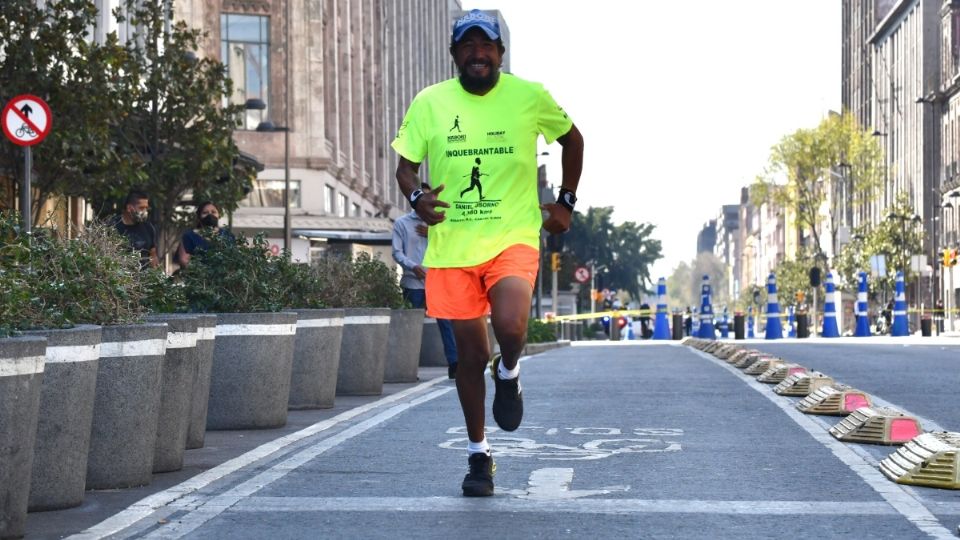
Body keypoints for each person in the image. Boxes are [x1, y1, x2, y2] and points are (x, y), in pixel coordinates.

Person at [391, 9, 583, 498]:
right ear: (455, 54)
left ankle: (511, 370)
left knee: (512, 325)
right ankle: (479, 456)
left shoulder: (529, 96)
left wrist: (565, 202)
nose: (478, 54)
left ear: (501, 53)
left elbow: (573, 139)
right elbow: (405, 169)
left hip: (512, 236)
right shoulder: (430, 102)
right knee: (470, 358)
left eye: (487, 46)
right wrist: (416, 198)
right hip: (453, 247)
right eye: (468, 46)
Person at [391, 208, 459, 379]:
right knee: (411, 326)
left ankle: (454, 364)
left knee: (447, 323)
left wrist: (433, 234)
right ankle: (407, 369)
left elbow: (454, 246)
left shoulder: (442, 223)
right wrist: (412, 266)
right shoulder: (402, 223)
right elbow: (397, 252)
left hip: (437, 282)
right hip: (412, 282)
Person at [176, 202, 233, 268]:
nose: (210, 215)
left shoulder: (227, 236)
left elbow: (233, 258)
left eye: (213, 212)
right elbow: (184, 260)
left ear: (219, 215)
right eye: (205, 213)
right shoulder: (189, 236)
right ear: (199, 216)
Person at [113, 190, 159, 270]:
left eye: (146, 208)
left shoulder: (148, 228)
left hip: (144, 279)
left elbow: (153, 256)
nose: (145, 211)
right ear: (129, 208)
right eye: (141, 208)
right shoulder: (113, 227)